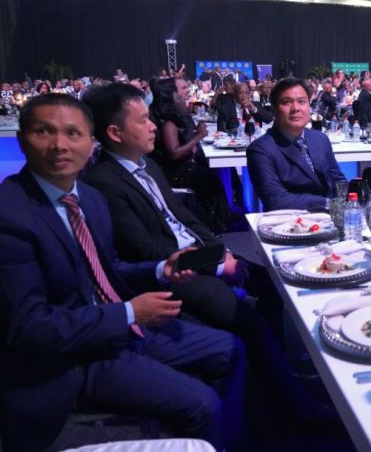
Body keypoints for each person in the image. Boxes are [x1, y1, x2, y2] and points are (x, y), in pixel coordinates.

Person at [0, 93, 243, 451]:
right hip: (71, 362)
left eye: (72, 133)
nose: (59, 145)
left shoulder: (88, 198)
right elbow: (29, 327)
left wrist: (162, 269)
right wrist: (128, 313)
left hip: (120, 329)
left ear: (91, 142)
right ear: (21, 141)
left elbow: (108, 269)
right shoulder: (10, 215)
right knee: (202, 403)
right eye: (44, 132)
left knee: (231, 348)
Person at [82, 83, 318, 418]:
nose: (153, 126)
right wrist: (217, 265)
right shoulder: (103, 182)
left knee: (274, 284)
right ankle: (297, 407)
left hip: (200, 257)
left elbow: (183, 216)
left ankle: (273, 373)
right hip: (176, 275)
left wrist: (220, 252)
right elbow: (146, 249)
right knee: (248, 320)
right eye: (143, 120)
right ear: (114, 133)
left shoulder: (145, 165)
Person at [248, 77, 346, 211]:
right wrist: (327, 203)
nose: (296, 108)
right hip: (289, 221)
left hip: (333, 217)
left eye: (302, 101)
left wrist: (354, 193)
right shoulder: (260, 149)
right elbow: (275, 200)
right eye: (287, 102)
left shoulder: (320, 139)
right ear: (274, 109)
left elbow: (337, 180)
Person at [150, 77, 233, 232]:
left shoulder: (175, 116)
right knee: (212, 183)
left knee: (216, 176)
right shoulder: (169, 123)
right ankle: (212, 227)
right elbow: (174, 153)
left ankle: (217, 222)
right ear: (172, 94)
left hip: (182, 167)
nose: (187, 91)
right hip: (175, 173)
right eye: (183, 88)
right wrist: (198, 137)